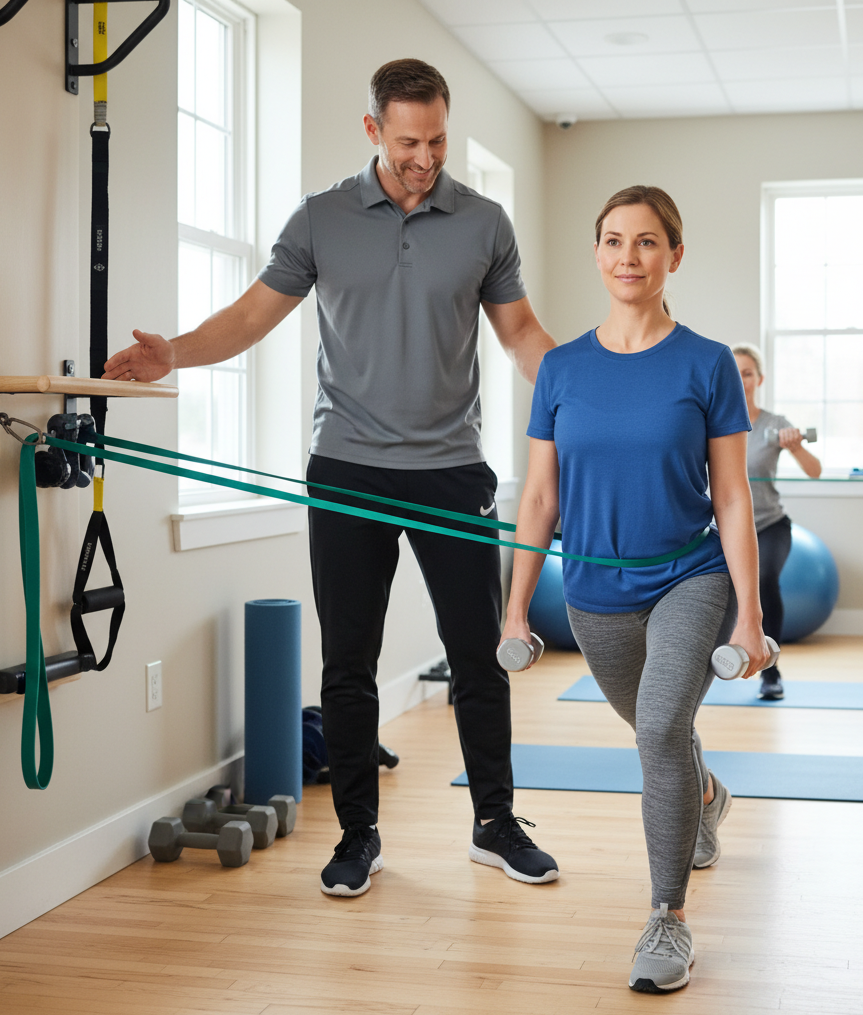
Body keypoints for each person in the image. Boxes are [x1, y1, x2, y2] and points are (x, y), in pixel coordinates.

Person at [103, 59, 560, 897]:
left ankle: (495, 824)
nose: (425, 158)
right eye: (409, 141)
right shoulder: (321, 218)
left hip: (452, 469)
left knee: (478, 654)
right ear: (373, 130)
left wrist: (585, 394)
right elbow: (250, 315)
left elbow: (521, 331)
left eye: (438, 140)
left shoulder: (485, 222)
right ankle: (358, 835)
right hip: (346, 466)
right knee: (348, 662)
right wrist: (173, 351)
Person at [500, 186, 771, 994]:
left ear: (674, 256)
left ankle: (668, 919)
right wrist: (515, 605)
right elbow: (541, 497)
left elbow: (731, 498)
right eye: (614, 241)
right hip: (595, 590)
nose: (629, 257)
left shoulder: (706, 362)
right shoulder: (561, 368)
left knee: (657, 730)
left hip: (691, 574)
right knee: (663, 735)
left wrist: (750, 617)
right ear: (597, 254)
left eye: (647, 243)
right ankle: (707, 796)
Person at [732, 344, 822, 700]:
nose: (741, 380)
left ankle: (770, 671)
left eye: (748, 373)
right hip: (722, 530)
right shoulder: (708, 421)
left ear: (760, 378)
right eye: (734, 372)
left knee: (765, 579)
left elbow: (815, 472)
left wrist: (795, 446)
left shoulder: (774, 424)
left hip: (769, 524)